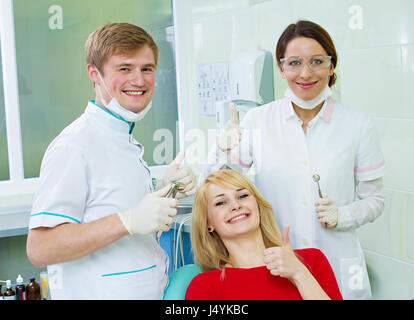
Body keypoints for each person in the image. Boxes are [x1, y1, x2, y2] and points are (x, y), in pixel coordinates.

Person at [204, 20, 385, 299]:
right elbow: (218, 186)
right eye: (294, 63)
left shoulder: (357, 125)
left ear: (331, 65)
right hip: (279, 265)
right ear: (281, 68)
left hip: (339, 262)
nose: (305, 73)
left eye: (316, 61)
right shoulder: (258, 121)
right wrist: (222, 148)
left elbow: (375, 201)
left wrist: (343, 216)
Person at [26, 23, 196, 300]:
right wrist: (126, 221)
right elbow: (41, 248)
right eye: (125, 68)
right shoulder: (74, 145)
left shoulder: (124, 140)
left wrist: (166, 188)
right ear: (94, 73)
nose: (139, 80)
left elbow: (111, 207)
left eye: (147, 69)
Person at [185, 169, 342, 300]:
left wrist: (299, 273)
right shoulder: (204, 286)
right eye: (220, 203)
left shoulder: (312, 260)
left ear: (258, 206)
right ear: (208, 224)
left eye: (242, 196)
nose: (235, 205)